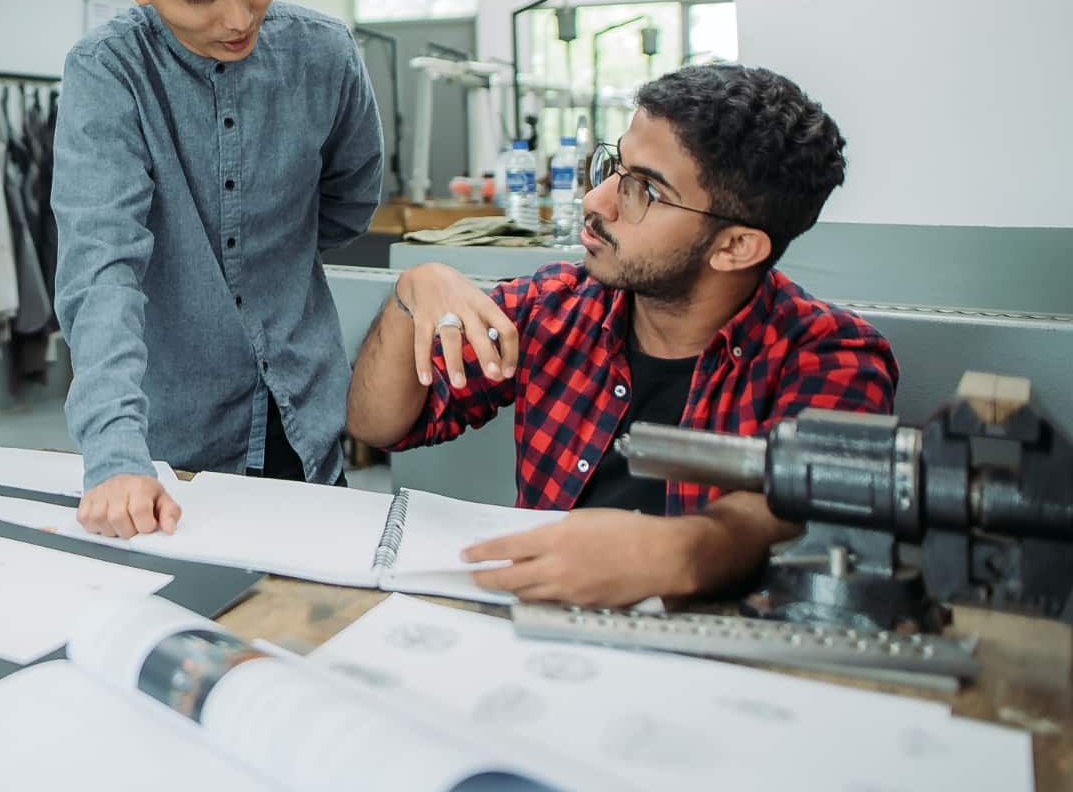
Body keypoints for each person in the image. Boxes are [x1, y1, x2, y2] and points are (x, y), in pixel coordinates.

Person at [348, 64, 896, 607]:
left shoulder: (831, 357)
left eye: (644, 190)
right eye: (614, 167)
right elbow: (379, 426)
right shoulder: (558, 307)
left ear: (735, 247)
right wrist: (410, 296)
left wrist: (677, 553)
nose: (596, 201)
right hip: (543, 636)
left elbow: (804, 513)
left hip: (719, 658)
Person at [53, 0, 383, 540]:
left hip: (309, 418)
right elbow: (99, 265)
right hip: (169, 447)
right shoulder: (108, 74)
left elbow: (352, 203)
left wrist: (277, 259)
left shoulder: (326, 56)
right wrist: (113, 454)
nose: (238, 18)